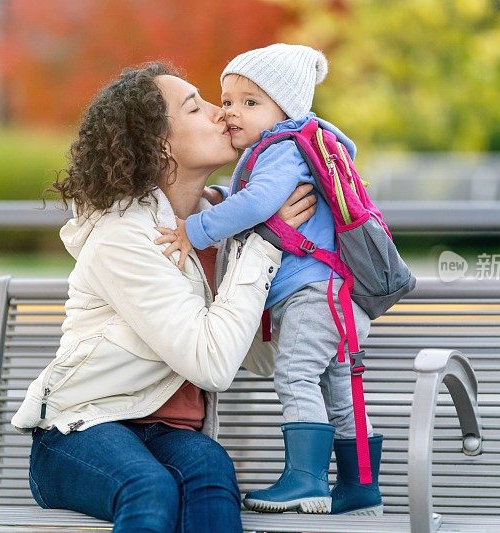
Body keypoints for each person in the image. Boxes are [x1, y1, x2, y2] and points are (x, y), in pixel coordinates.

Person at [10, 61, 317, 533]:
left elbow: (257, 357)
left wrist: (308, 281)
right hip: (80, 432)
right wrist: (267, 246)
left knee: (211, 473)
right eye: (197, 106)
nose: (222, 113)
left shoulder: (228, 224)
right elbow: (212, 363)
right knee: (149, 487)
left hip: (170, 435)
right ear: (159, 145)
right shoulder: (124, 237)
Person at [158, 44, 384, 516]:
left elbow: (260, 204)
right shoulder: (296, 146)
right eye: (228, 99)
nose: (231, 112)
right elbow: (252, 196)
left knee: (297, 375)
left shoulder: (282, 147)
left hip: (312, 296)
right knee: (338, 389)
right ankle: (360, 487)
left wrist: (192, 229)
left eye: (250, 101)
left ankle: (305, 480)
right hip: (337, 296)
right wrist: (223, 195)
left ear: (287, 108)